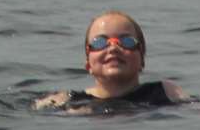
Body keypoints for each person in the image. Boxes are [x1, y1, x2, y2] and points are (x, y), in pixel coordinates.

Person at [33, 10, 191, 110]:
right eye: (100, 43)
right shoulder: (69, 102)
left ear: (142, 57)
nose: (113, 48)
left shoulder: (167, 92)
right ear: (88, 62)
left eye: (127, 41)